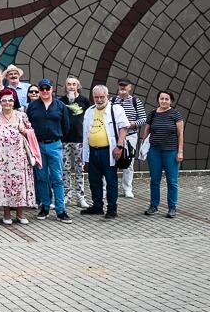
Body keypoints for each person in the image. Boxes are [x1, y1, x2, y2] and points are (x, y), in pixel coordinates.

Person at [0, 92, 40, 225]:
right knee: (5, 186)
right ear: (0, 102)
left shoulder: (21, 115)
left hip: (19, 158)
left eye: (10, 100)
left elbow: (32, 133)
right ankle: (6, 214)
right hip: (2, 159)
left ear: (14, 102)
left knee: (19, 185)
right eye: (4, 100)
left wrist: (25, 131)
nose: (7, 103)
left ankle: (20, 213)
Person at [26, 79, 73, 222]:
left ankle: (61, 210)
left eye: (47, 88)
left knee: (57, 178)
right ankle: (45, 207)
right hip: (38, 146)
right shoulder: (33, 106)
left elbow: (66, 126)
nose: (45, 91)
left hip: (55, 144)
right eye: (42, 89)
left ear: (52, 89)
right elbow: (28, 125)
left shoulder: (60, 106)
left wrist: (58, 137)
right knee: (41, 177)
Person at [80, 85, 129, 219]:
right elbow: (86, 132)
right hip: (93, 150)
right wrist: (85, 152)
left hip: (108, 151)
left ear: (107, 96)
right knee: (94, 180)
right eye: (96, 97)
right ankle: (97, 206)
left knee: (111, 180)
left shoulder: (116, 109)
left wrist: (119, 146)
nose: (99, 100)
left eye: (102, 97)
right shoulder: (89, 111)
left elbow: (124, 128)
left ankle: (112, 208)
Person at [144, 90, 185, 218]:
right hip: (154, 152)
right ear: (158, 100)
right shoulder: (152, 114)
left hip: (171, 152)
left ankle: (172, 208)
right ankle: (153, 206)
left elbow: (180, 134)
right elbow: (147, 131)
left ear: (171, 101)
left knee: (172, 181)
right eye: (161, 98)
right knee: (154, 180)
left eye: (167, 99)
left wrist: (180, 151)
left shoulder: (175, 114)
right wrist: (143, 147)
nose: (164, 101)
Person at [59, 76, 92, 210]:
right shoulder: (60, 101)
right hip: (65, 140)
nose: (71, 86)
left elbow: (90, 117)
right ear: (65, 86)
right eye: (69, 84)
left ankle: (81, 197)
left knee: (80, 169)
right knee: (65, 169)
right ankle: (66, 196)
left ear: (78, 86)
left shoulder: (84, 101)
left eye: (74, 84)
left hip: (80, 140)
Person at [113, 79, 148, 198]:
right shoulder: (112, 101)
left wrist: (133, 124)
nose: (122, 88)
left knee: (129, 162)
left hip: (130, 135)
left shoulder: (135, 101)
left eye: (125, 86)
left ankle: (127, 188)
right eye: (120, 85)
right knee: (112, 161)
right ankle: (109, 188)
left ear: (130, 87)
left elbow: (143, 118)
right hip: (115, 136)